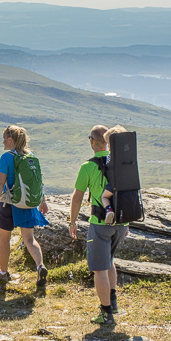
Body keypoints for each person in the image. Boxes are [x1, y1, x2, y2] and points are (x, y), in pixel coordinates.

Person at [70, 125, 129, 325]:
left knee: (99, 269)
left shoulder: (88, 166)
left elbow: (77, 198)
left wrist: (72, 221)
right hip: (122, 222)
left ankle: (106, 313)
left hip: (100, 222)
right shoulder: (121, 162)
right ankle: (113, 304)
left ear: (92, 141)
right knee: (109, 260)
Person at [0, 125, 49, 286]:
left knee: (4, 238)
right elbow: (37, 181)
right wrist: (42, 201)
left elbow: (0, 182)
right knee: (29, 240)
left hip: (8, 203)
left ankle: (3, 272)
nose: (2, 142)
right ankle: (40, 265)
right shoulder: (31, 156)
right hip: (27, 204)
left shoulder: (6, 157)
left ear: (10, 140)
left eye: (4, 138)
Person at [100, 125, 128, 225]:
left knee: (104, 197)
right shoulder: (128, 156)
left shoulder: (110, 156)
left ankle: (109, 211)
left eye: (108, 143)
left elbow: (108, 166)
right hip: (127, 184)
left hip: (114, 184)